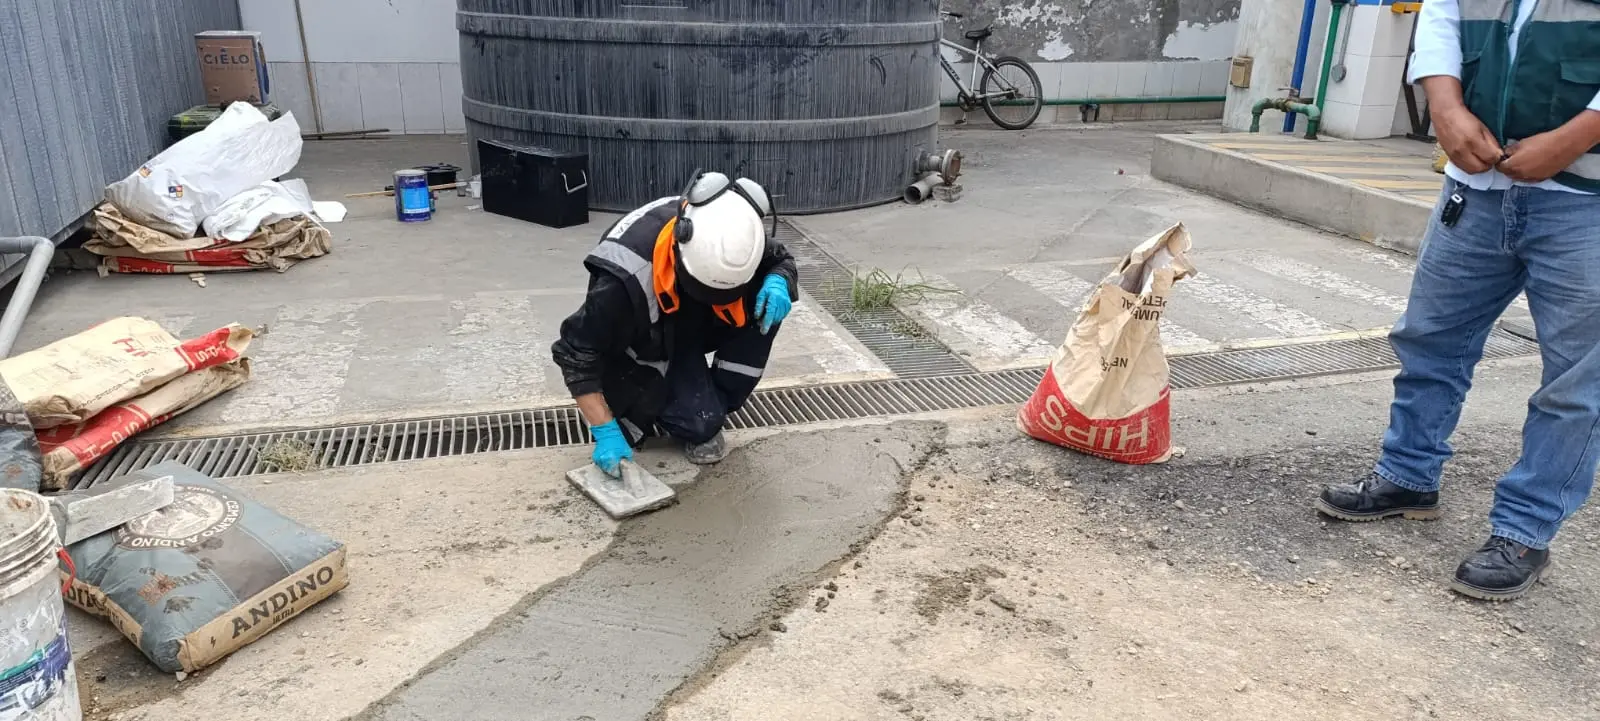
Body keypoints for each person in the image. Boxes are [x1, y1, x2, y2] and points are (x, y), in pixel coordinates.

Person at [1315, 0, 1600, 601]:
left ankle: (1524, 529)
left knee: (1575, 380)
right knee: (1430, 340)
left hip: (1585, 201)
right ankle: (1407, 475)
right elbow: (1443, 14)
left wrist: (1577, 136)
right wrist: (1444, 107)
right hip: (1476, 187)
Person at [551, 170, 798, 475]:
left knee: (767, 301)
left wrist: (779, 278)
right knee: (699, 423)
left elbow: (779, 258)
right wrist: (604, 430)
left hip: (692, 315)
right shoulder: (622, 283)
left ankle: (710, 399)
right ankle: (684, 408)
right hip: (649, 331)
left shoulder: (734, 231)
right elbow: (575, 351)